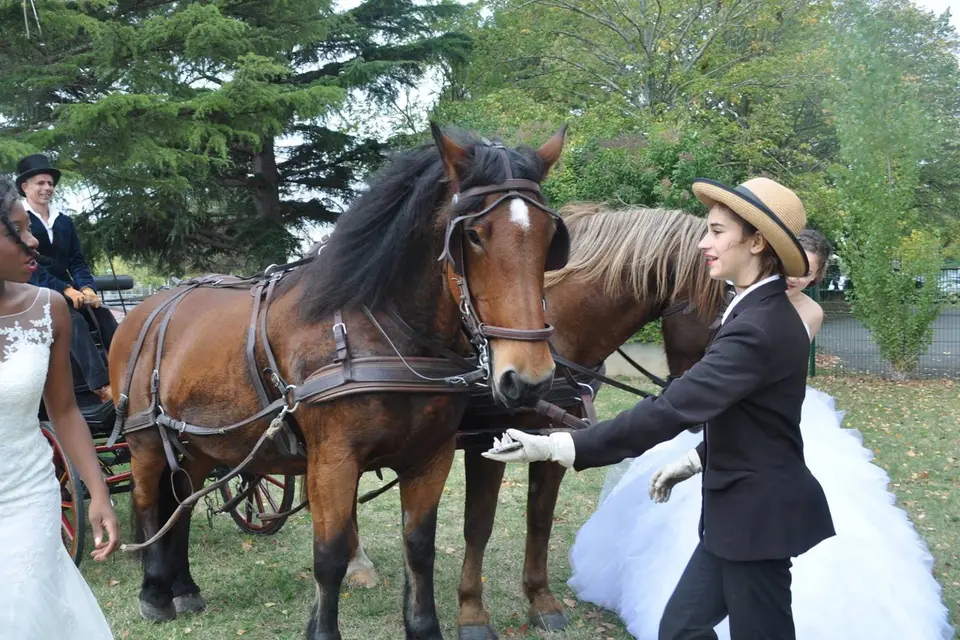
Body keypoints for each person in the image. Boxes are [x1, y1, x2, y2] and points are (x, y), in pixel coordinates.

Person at [484, 177, 835, 639]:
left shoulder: (760, 326)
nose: (703, 243)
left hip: (756, 521)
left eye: (715, 231)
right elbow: (758, 420)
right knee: (681, 630)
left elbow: (673, 408)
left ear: (755, 242)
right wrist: (695, 461)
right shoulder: (754, 312)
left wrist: (559, 447)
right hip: (735, 514)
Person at [564, 229, 955, 640]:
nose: (794, 277)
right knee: (683, 628)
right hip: (732, 485)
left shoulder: (775, 322)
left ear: (814, 278)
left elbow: (735, 389)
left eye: (806, 273)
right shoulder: (745, 305)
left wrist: (569, 444)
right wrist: (700, 454)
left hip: (759, 494)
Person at [0, 176, 120, 637]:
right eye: (18, 230)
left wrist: (99, 492)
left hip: (28, 494)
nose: (33, 241)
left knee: (24, 607)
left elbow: (65, 411)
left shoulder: (47, 309)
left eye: (31, 228)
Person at [15, 153, 117, 403]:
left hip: (66, 292)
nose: (47, 188)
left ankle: (127, 371)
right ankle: (101, 386)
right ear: (25, 187)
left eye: (50, 183)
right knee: (72, 321)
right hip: (31, 292)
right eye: (40, 183)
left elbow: (76, 261)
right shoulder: (18, 222)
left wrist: (86, 287)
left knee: (103, 316)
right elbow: (31, 265)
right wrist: (65, 290)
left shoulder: (64, 222)